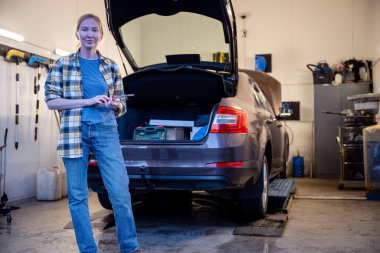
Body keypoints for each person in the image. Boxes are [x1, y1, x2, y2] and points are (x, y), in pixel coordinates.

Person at [44, 13, 140, 253]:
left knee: (120, 193)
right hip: (74, 132)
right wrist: (88, 101)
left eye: (94, 30)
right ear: (77, 33)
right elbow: (52, 101)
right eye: (85, 29)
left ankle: (130, 247)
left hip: (106, 130)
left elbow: (122, 103)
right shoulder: (63, 64)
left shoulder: (110, 66)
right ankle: (88, 249)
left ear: (100, 35)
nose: (90, 34)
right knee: (77, 197)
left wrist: (116, 104)